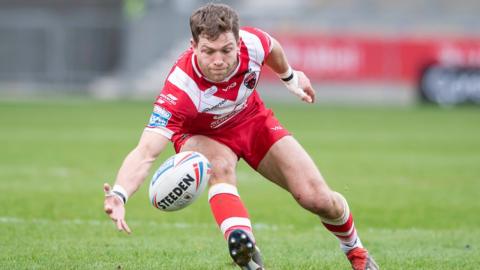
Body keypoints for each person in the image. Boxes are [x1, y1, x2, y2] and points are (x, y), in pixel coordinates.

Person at [103, 3, 379, 270]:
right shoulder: (180, 90)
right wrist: (119, 193)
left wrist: (291, 78)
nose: (219, 60)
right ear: (193, 46)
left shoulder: (253, 42)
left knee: (316, 198)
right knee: (218, 167)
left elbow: (273, 48)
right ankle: (243, 244)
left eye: (226, 49)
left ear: (239, 40)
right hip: (202, 135)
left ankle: (356, 251)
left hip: (253, 121)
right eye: (208, 52)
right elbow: (145, 152)